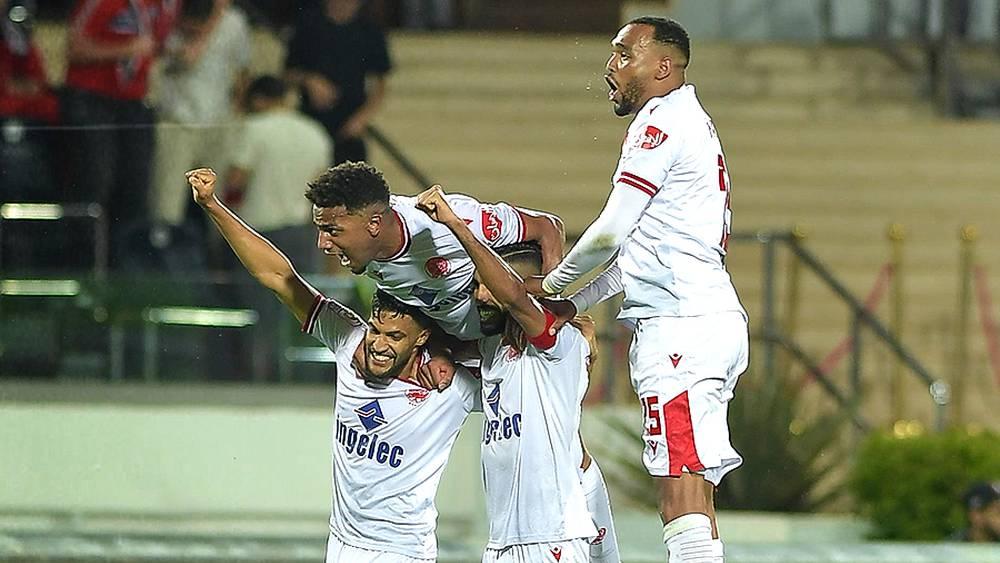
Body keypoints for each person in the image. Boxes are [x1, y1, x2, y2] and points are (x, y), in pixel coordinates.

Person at [527, 18, 748, 563]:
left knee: (679, 490)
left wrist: (549, 284)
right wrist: (570, 303)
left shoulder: (660, 124)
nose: (611, 66)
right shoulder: (689, 121)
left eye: (625, 55)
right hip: (702, 319)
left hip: (680, 330)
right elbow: (635, 259)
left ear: (662, 67)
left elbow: (608, 232)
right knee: (691, 487)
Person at [186, 166, 478, 563]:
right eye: (377, 330)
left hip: (402, 552)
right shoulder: (349, 341)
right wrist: (212, 206)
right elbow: (277, 275)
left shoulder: (449, 386)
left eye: (395, 338)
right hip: (341, 544)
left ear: (423, 339)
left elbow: (522, 374)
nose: (378, 345)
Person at [417, 186, 620, 563]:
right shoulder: (493, 349)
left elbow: (513, 297)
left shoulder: (559, 342)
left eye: (486, 286)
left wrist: (457, 225)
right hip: (502, 541)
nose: (478, 296)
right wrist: (442, 352)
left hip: (552, 536)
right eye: (477, 285)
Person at [306, 161, 565, 340]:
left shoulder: (450, 221)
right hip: (462, 352)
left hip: (513, 340)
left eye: (332, 230)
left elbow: (548, 227)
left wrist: (552, 310)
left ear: (374, 224)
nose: (322, 243)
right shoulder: (362, 253)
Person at [62, 0, 179, 267]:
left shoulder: (167, 5)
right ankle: (85, 269)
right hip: (93, 99)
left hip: (134, 102)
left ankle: (126, 271)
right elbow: (75, 46)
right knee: (95, 185)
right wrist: (125, 49)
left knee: (135, 190)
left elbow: (157, 45)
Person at [151, 0, 251, 228]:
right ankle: (165, 252)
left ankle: (220, 257)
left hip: (218, 121)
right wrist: (208, 26)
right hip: (177, 121)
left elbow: (243, 69)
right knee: (167, 201)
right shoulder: (167, 13)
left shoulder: (234, 22)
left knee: (219, 202)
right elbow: (186, 58)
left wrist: (236, 109)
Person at [285, 0, 391, 165]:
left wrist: (361, 119)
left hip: (349, 127)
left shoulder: (370, 30)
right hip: (311, 123)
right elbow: (287, 73)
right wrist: (310, 80)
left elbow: (381, 84)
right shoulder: (308, 25)